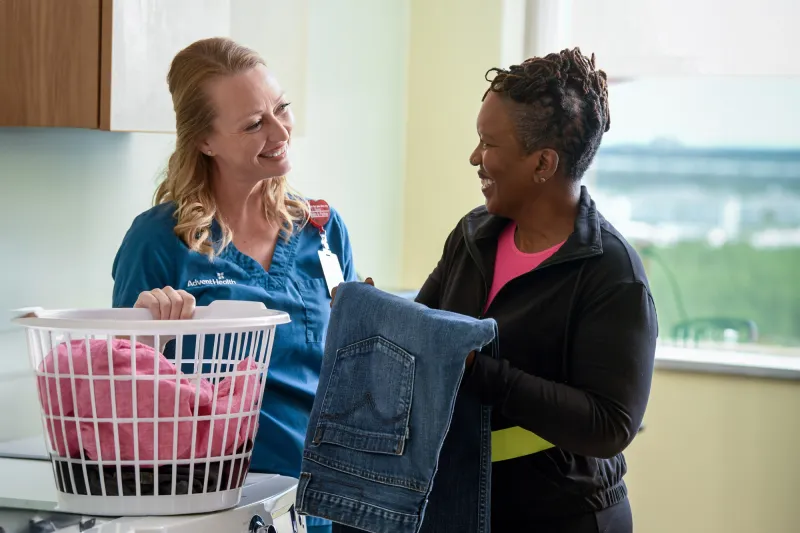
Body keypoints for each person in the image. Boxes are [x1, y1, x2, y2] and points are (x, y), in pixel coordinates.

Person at [111, 37, 357, 533]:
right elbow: (119, 390)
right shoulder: (159, 240)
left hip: (326, 500)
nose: (280, 130)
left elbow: (350, 370)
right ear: (205, 141)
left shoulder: (323, 229)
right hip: (217, 507)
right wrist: (144, 334)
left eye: (281, 108)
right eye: (253, 124)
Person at [412, 49, 658, 531]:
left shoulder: (612, 274)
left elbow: (609, 424)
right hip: (462, 503)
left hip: (566, 516)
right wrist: (378, 318)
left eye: (489, 143)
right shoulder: (471, 237)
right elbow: (423, 335)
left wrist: (479, 371)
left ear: (543, 162)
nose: (474, 158)